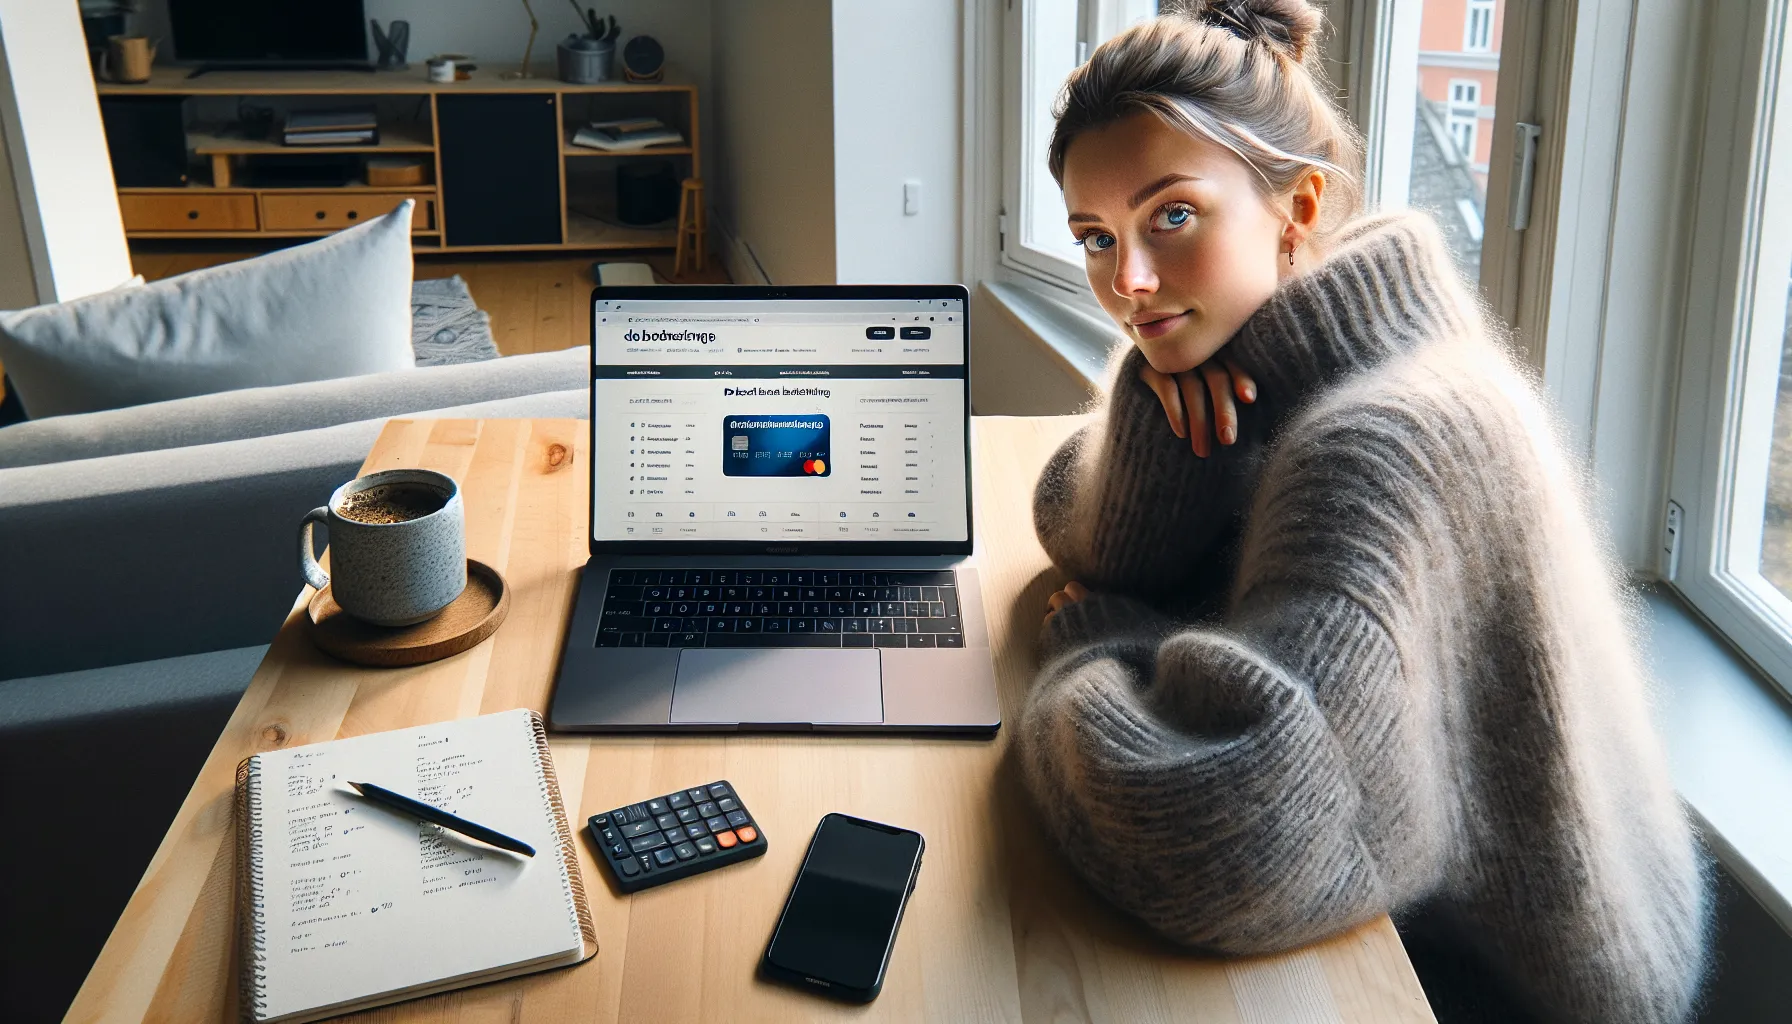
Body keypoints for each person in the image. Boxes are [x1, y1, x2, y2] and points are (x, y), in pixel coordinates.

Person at [1018, 2, 1711, 1021]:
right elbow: (1068, 514)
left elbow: (1228, 842)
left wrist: (1093, 637)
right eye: (1095, 236)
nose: (1125, 282)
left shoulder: (1376, 441)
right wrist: (1154, 398)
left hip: (1505, 981)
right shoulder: (1303, 348)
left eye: (1171, 216)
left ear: (1296, 210)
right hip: (1433, 915)